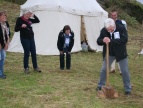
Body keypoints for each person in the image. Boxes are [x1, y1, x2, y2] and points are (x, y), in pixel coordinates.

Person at [96, 18, 131, 95]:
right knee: (104, 69)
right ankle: (101, 85)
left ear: (114, 25)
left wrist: (111, 41)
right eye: (108, 29)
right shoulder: (104, 30)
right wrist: (103, 40)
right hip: (109, 53)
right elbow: (98, 41)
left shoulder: (121, 28)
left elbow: (124, 40)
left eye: (111, 29)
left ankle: (127, 89)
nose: (109, 31)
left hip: (121, 53)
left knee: (125, 71)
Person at [110, 9, 127, 75]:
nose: (113, 16)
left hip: (119, 42)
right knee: (112, 55)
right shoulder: (109, 22)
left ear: (117, 15)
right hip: (112, 42)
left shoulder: (120, 23)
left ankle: (121, 70)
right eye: (112, 15)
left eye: (115, 15)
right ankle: (112, 68)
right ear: (110, 15)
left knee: (120, 56)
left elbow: (124, 33)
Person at [0, 11, 10, 79]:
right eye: (3, 15)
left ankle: (1, 72)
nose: (4, 17)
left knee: (3, 58)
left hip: (3, 44)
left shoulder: (6, 23)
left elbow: (8, 34)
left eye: (5, 15)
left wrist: (7, 43)